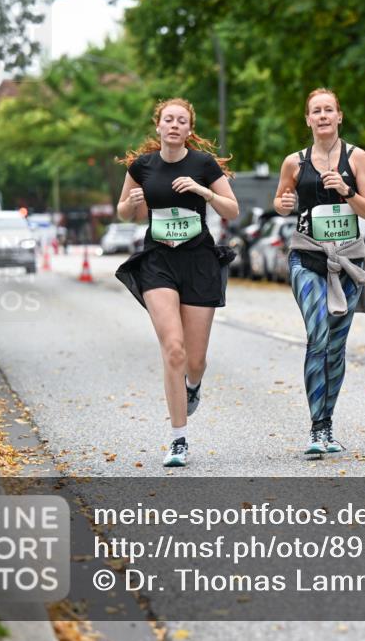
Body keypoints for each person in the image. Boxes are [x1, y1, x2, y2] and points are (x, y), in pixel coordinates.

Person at [115, 98, 239, 467]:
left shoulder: (202, 164)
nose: (173, 125)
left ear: (189, 129)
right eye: (167, 119)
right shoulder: (143, 166)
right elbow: (123, 210)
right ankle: (178, 439)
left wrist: (205, 192)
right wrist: (132, 202)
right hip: (158, 262)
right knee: (174, 349)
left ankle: (193, 386)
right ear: (158, 127)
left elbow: (232, 209)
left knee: (195, 360)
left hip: (198, 261)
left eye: (181, 120)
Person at [273, 88, 365, 455]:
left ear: (339, 116)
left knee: (336, 346)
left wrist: (346, 190)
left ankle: (327, 422)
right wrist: (284, 203)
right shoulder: (294, 162)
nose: (322, 116)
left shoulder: (357, 157)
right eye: (315, 111)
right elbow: (282, 200)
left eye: (328, 110)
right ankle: (317, 429)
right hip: (307, 257)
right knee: (317, 334)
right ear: (307, 119)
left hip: (349, 261)